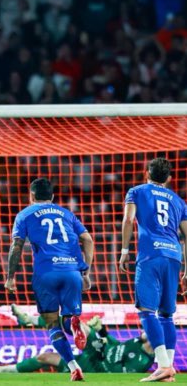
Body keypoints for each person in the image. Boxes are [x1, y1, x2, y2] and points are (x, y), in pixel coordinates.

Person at [5, 178, 94, 381]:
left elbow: (16, 246)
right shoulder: (66, 213)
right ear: (52, 197)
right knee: (68, 318)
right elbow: (87, 240)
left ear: (32, 196)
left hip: (46, 273)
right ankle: (73, 323)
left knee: (51, 323)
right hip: (72, 271)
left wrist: (10, 277)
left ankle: (73, 367)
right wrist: (86, 272)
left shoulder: (24, 214)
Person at [119, 158, 187, 382]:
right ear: (168, 178)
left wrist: (124, 250)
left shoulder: (136, 191)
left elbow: (129, 220)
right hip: (174, 256)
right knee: (167, 315)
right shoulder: (178, 201)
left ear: (146, 172)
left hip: (150, 255)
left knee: (146, 311)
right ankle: (168, 369)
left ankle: (164, 366)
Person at [0, 310, 154, 374]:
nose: (142, 330)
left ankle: (2, 371)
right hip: (94, 354)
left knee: (46, 358)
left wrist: (100, 350)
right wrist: (102, 331)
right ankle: (29, 319)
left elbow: (117, 376)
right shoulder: (138, 341)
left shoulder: (143, 361)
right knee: (77, 327)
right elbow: (117, 348)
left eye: (146, 330)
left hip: (95, 368)